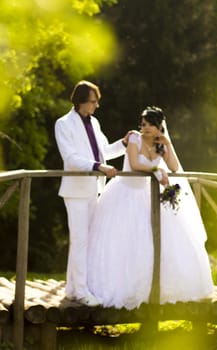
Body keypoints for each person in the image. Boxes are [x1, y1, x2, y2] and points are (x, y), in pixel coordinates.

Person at [87, 106, 214, 309]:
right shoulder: (134, 139)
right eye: (143, 124)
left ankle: (155, 288)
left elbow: (173, 167)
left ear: (159, 127)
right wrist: (155, 168)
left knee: (154, 240)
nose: (144, 128)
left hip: (148, 197)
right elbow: (135, 163)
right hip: (125, 194)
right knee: (124, 241)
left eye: (150, 125)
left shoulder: (160, 144)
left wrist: (167, 144)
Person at [55, 80, 129, 306]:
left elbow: (105, 151)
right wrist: (98, 167)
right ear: (80, 101)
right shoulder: (63, 124)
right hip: (75, 191)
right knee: (80, 241)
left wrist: (124, 144)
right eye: (93, 101)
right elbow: (70, 158)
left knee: (85, 241)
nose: (97, 105)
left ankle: (72, 288)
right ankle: (81, 291)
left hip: (94, 189)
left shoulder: (95, 123)